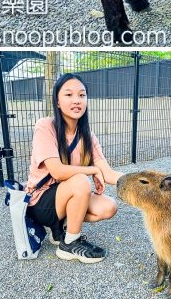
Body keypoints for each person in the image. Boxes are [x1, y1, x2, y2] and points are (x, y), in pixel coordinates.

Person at [25, 73, 121, 263]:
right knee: (80, 181)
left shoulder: (88, 136)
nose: (77, 100)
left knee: (109, 207)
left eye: (82, 95)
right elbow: (58, 172)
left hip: (62, 198)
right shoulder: (46, 126)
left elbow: (108, 173)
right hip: (40, 203)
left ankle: (59, 230)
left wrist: (149, 183)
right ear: (58, 102)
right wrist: (92, 170)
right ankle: (69, 244)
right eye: (69, 95)